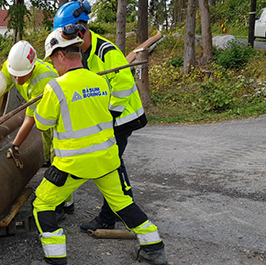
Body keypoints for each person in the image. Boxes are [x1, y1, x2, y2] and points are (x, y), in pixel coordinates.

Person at [30, 26, 167, 265]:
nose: (52, 66)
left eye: (52, 60)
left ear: (61, 55)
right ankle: (154, 247)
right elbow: (110, 109)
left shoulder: (55, 87)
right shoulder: (100, 81)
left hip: (72, 165)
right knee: (123, 203)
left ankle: (55, 260)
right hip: (106, 160)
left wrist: (47, 99)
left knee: (43, 203)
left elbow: (42, 124)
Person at [53, 0, 149, 231]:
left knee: (112, 166)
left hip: (124, 118)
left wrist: (109, 115)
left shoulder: (105, 51)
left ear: (80, 28)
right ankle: (117, 213)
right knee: (112, 165)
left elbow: (125, 83)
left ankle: (111, 217)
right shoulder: (82, 53)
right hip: (113, 119)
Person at [0, 40, 59, 169]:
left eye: (22, 76)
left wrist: (15, 146)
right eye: (15, 76)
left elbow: (29, 119)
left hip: (58, 107)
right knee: (46, 135)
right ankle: (47, 160)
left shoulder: (43, 79)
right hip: (43, 106)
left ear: (32, 68)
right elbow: (0, 90)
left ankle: (56, 166)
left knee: (54, 135)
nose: (17, 79)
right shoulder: (11, 67)